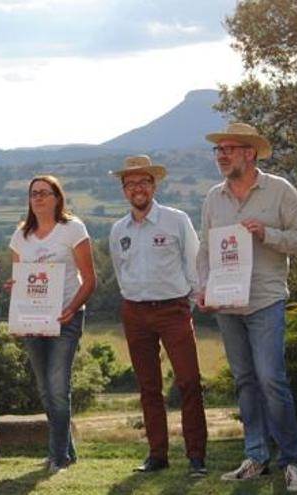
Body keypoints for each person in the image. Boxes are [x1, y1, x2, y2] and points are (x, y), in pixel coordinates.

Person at [198, 123, 297, 492]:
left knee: (270, 379)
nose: (221, 155)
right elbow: (204, 250)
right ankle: (255, 457)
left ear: (250, 153)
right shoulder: (213, 198)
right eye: (217, 150)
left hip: (265, 299)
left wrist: (268, 235)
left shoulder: (279, 190)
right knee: (246, 382)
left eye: (228, 149)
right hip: (226, 304)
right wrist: (202, 289)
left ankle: (292, 462)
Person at [107, 156, 208, 477]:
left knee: (189, 381)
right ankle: (157, 455)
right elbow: (120, 273)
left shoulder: (176, 220)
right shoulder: (117, 229)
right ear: (124, 191)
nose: (138, 188)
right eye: (131, 184)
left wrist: (185, 305)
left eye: (143, 182)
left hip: (174, 310)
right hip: (135, 313)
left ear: (154, 185)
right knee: (149, 387)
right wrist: (134, 301)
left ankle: (196, 456)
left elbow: (194, 265)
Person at [7, 175, 96, 473]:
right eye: (34, 194)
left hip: (66, 318)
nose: (39, 198)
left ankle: (56, 457)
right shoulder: (21, 236)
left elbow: (89, 279)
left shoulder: (73, 229)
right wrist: (15, 287)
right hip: (33, 319)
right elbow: (21, 279)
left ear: (58, 198)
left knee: (58, 387)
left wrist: (72, 309)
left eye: (45, 193)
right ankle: (67, 452)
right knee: (45, 390)